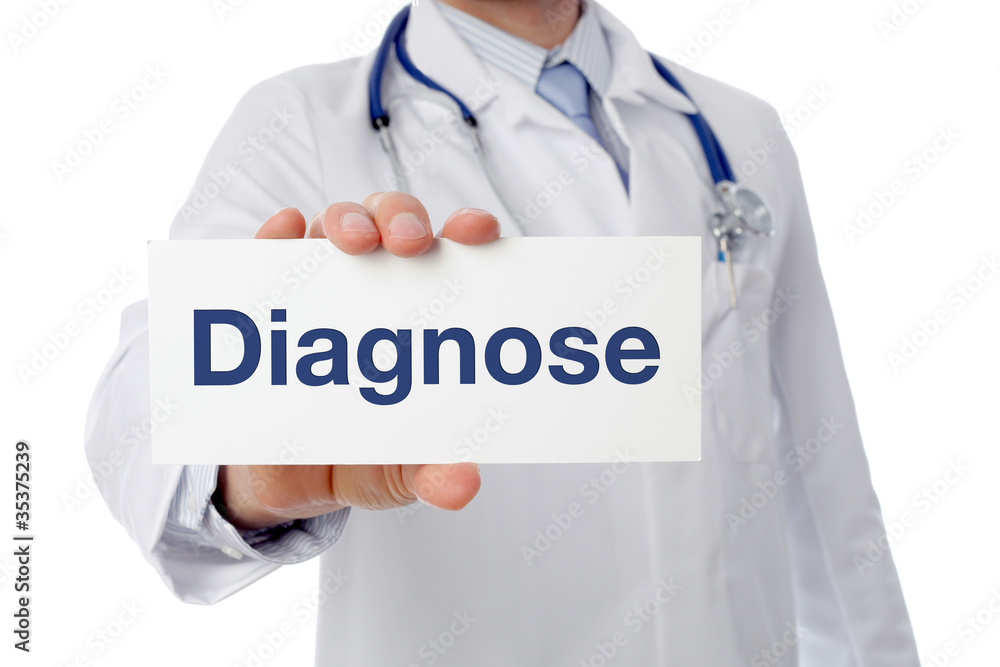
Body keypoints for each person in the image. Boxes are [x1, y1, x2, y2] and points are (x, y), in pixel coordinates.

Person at [85, 0, 920, 664]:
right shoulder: (302, 123)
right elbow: (143, 407)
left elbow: (827, 487)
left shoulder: (740, 130)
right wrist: (244, 468)